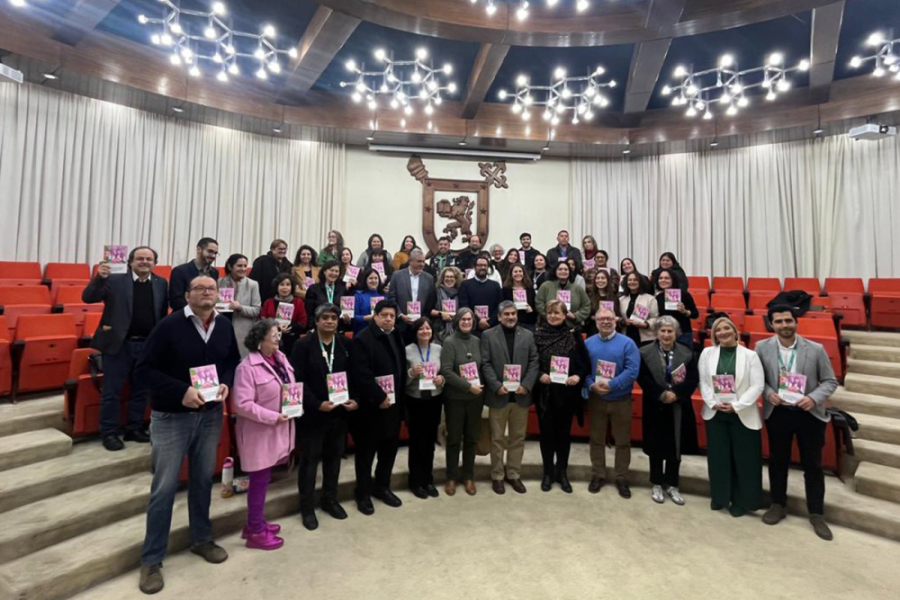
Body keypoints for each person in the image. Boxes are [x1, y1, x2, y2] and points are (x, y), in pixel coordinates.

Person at [135, 275, 241, 595]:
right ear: (187, 295)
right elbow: (144, 369)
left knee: (201, 481)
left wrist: (225, 382)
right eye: (200, 289)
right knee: (164, 489)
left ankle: (201, 539)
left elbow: (231, 361)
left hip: (209, 416)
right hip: (171, 417)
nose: (207, 293)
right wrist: (181, 391)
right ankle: (152, 559)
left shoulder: (222, 324)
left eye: (211, 288)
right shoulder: (169, 326)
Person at [756, 305, 838, 540]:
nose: (784, 325)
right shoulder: (762, 348)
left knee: (812, 464)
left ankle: (816, 513)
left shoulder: (815, 349)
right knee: (777, 460)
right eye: (779, 321)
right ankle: (777, 505)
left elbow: (830, 381)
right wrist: (768, 392)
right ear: (771, 324)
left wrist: (813, 398)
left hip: (808, 413)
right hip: (778, 411)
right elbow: (758, 378)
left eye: (788, 321)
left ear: (796, 322)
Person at [82, 246, 168, 451]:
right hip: (119, 345)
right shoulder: (114, 278)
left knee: (141, 391)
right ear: (130, 261)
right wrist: (99, 278)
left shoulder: (161, 283)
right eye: (140, 258)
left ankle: (134, 428)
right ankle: (109, 432)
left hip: (147, 345)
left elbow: (161, 314)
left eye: (149, 259)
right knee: (112, 391)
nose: (145, 262)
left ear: (154, 263)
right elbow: (88, 297)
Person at [291, 303, 359, 530]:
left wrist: (354, 399)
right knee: (310, 462)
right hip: (313, 413)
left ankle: (330, 499)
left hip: (339, 413)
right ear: (316, 321)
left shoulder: (345, 344)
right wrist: (317, 404)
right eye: (325, 318)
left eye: (333, 318)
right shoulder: (302, 345)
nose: (329, 321)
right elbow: (297, 380)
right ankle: (307, 507)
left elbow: (356, 375)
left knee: (333, 458)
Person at [231, 319, 295, 550]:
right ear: (260, 338)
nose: (278, 336)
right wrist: (272, 416)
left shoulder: (281, 358)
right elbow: (242, 404)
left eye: (279, 333)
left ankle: (254, 523)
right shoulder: (246, 367)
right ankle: (256, 532)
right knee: (259, 481)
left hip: (277, 429)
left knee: (264, 479)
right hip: (259, 433)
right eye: (273, 333)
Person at [698, 316, 765, 517]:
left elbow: (757, 385)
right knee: (719, 458)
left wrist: (736, 405)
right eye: (718, 330)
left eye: (727, 328)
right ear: (714, 334)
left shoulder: (750, 355)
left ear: (735, 331)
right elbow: (704, 382)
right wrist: (713, 403)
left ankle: (741, 501)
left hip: (742, 413)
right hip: (715, 412)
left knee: (744, 460)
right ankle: (719, 497)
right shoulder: (707, 353)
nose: (723, 332)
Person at [349, 299, 406, 514]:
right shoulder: (363, 339)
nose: (389, 319)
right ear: (375, 316)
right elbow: (361, 375)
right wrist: (379, 396)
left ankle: (382, 487)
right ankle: (362, 493)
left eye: (392, 315)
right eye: (385, 315)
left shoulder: (396, 334)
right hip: (370, 408)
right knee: (366, 454)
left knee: (389, 451)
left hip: (392, 406)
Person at [636, 316, 699, 506]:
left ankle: (672, 484)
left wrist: (677, 394)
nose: (666, 334)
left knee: (675, 446)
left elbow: (692, 379)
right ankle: (656, 482)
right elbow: (643, 378)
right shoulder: (644, 352)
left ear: (676, 333)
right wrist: (662, 394)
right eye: (662, 331)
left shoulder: (687, 353)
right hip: (655, 404)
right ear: (656, 333)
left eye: (669, 331)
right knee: (655, 445)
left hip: (678, 406)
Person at [481, 301, 540, 495]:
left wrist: (527, 384)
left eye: (513, 314)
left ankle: (514, 474)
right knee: (497, 439)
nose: (510, 317)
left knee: (517, 438)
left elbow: (534, 362)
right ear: (499, 317)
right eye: (506, 314)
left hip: (521, 396)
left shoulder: (528, 335)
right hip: (499, 396)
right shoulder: (488, 335)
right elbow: (486, 364)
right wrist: (496, 386)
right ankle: (497, 476)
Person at [533, 299, 589, 493]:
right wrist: (539, 375)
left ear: (565, 315)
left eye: (557, 313)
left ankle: (562, 472)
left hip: (566, 394)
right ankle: (548, 473)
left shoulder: (573, 336)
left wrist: (577, 376)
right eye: (550, 313)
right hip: (545, 395)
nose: (553, 316)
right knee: (546, 435)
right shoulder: (538, 335)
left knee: (563, 436)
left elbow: (585, 363)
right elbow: (531, 362)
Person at [584, 307, 640, 498]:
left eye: (609, 319)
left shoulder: (628, 343)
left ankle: (622, 477)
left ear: (616, 320)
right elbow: (582, 369)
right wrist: (591, 385)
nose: (605, 322)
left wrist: (613, 385)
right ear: (596, 322)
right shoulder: (588, 343)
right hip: (596, 399)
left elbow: (632, 371)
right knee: (596, 440)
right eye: (601, 319)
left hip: (621, 400)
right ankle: (598, 475)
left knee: (622, 441)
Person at [440, 308, 484, 496]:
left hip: (475, 399)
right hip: (455, 399)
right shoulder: (449, 342)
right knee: (454, 439)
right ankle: (451, 477)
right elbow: (447, 372)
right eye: (463, 319)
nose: (466, 322)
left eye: (470, 319)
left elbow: (482, 366)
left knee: (472, 439)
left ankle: (468, 476)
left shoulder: (477, 341)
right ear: (457, 321)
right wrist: (468, 387)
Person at [404, 318, 446, 499]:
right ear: (415, 331)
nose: (425, 331)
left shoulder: (438, 349)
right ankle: (415, 481)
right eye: (421, 328)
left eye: (428, 328)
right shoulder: (407, 350)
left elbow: (444, 372)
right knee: (416, 442)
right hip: (415, 400)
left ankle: (428, 480)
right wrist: (411, 373)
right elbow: (401, 381)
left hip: (434, 400)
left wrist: (441, 380)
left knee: (429, 442)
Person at [218, 254, 262, 359]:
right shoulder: (219, 282)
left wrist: (240, 308)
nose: (243, 269)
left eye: (245, 266)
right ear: (230, 267)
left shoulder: (252, 284)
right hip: (222, 328)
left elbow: (257, 310)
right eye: (239, 266)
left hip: (243, 331)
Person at [387, 248, 436, 342]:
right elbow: (391, 298)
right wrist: (400, 315)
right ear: (410, 261)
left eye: (423, 261)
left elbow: (431, 301)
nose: (422, 264)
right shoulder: (397, 276)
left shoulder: (429, 278)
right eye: (419, 261)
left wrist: (423, 319)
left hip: (420, 326)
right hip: (401, 324)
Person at [536, 261, 591, 329]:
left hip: (572, 327)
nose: (563, 271)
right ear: (555, 271)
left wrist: (576, 316)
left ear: (569, 272)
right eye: (560, 269)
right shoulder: (546, 286)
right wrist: (550, 316)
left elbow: (586, 305)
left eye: (566, 269)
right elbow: (539, 303)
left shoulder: (577, 288)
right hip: (549, 326)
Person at [261, 274, 308, 353]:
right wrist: (276, 327)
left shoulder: (298, 302)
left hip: (292, 340)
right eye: (282, 284)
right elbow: (262, 319)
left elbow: (303, 322)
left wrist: (289, 327)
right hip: (271, 340)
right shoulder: (268, 302)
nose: (285, 287)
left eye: (288, 285)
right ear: (277, 287)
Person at [169, 238, 220, 311]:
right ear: (199, 249)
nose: (213, 256)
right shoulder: (180, 271)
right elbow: (175, 301)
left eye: (215, 253)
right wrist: (198, 311)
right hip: (184, 318)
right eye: (210, 251)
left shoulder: (214, 272)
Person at [458, 255, 503, 336]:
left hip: (492, 327)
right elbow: (464, 305)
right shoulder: (465, 285)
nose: (482, 267)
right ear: (475, 268)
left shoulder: (495, 285)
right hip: (472, 327)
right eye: (479, 265)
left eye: (484, 265)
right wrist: (478, 321)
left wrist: (489, 322)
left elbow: (499, 306)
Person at [654, 268, 699, 348]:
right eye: (660, 278)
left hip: (683, 334)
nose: (663, 280)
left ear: (673, 280)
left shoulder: (684, 295)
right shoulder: (658, 297)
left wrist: (684, 311)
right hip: (665, 334)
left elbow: (695, 314)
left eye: (666, 278)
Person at [305, 260, 351, 332]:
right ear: (324, 271)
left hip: (337, 328)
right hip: (318, 328)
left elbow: (346, 310)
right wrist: (311, 327)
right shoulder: (313, 289)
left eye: (336, 271)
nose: (334, 273)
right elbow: (309, 311)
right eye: (331, 270)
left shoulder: (342, 289)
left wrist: (347, 319)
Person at [618, 271, 659, 347]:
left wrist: (646, 324)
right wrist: (623, 322)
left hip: (646, 338)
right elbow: (618, 317)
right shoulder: (621, 299)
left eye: (635, 280)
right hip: (626, 337)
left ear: (640, 282)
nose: (632, 282)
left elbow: (656, 318)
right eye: (630, 280)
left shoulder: (650, 299)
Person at [249, 240, 291, 304]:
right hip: (263, 298)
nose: (282, 251)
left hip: (283, 300)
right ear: (272, 249)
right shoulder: (262, 261)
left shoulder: (289, 265)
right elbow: (253, 280)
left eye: (284, 249)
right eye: (280, 249)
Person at [432, 266, 463, 342]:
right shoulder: (435, 291)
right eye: (447, 277)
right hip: (438, 331)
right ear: (442, 278)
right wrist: (441, 314)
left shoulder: (461, 293)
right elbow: (428, 310)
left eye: (452, 277)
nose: (449, 279)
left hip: (457, 330)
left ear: (456, 279)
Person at [502, 263, 536, 331]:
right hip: (511, 323)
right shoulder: (505, 290)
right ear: (511, 274)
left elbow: (535, 307)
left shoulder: (530, 289)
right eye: (515, 271)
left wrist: (531, 310)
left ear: (523, 273)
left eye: (520, 271)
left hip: (528, 322)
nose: (518, 273)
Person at [585, 269, 619, 337]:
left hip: (610, 332)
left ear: (608, 280)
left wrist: (616, 318)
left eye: (603, 278)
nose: (600, 280)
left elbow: (618, 314)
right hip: (593, 332)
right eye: (598, 278)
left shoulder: (614, 297)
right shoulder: (589, 297)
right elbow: (586, 315)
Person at [352, 268, 385, 336]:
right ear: (365, 280)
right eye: (370, 278)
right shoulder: (358, 296)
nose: (373, 280)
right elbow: (353, 317)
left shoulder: (385, 296)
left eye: (376, 278)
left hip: (381, 333)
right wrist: (366, 318)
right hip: (362, 333)